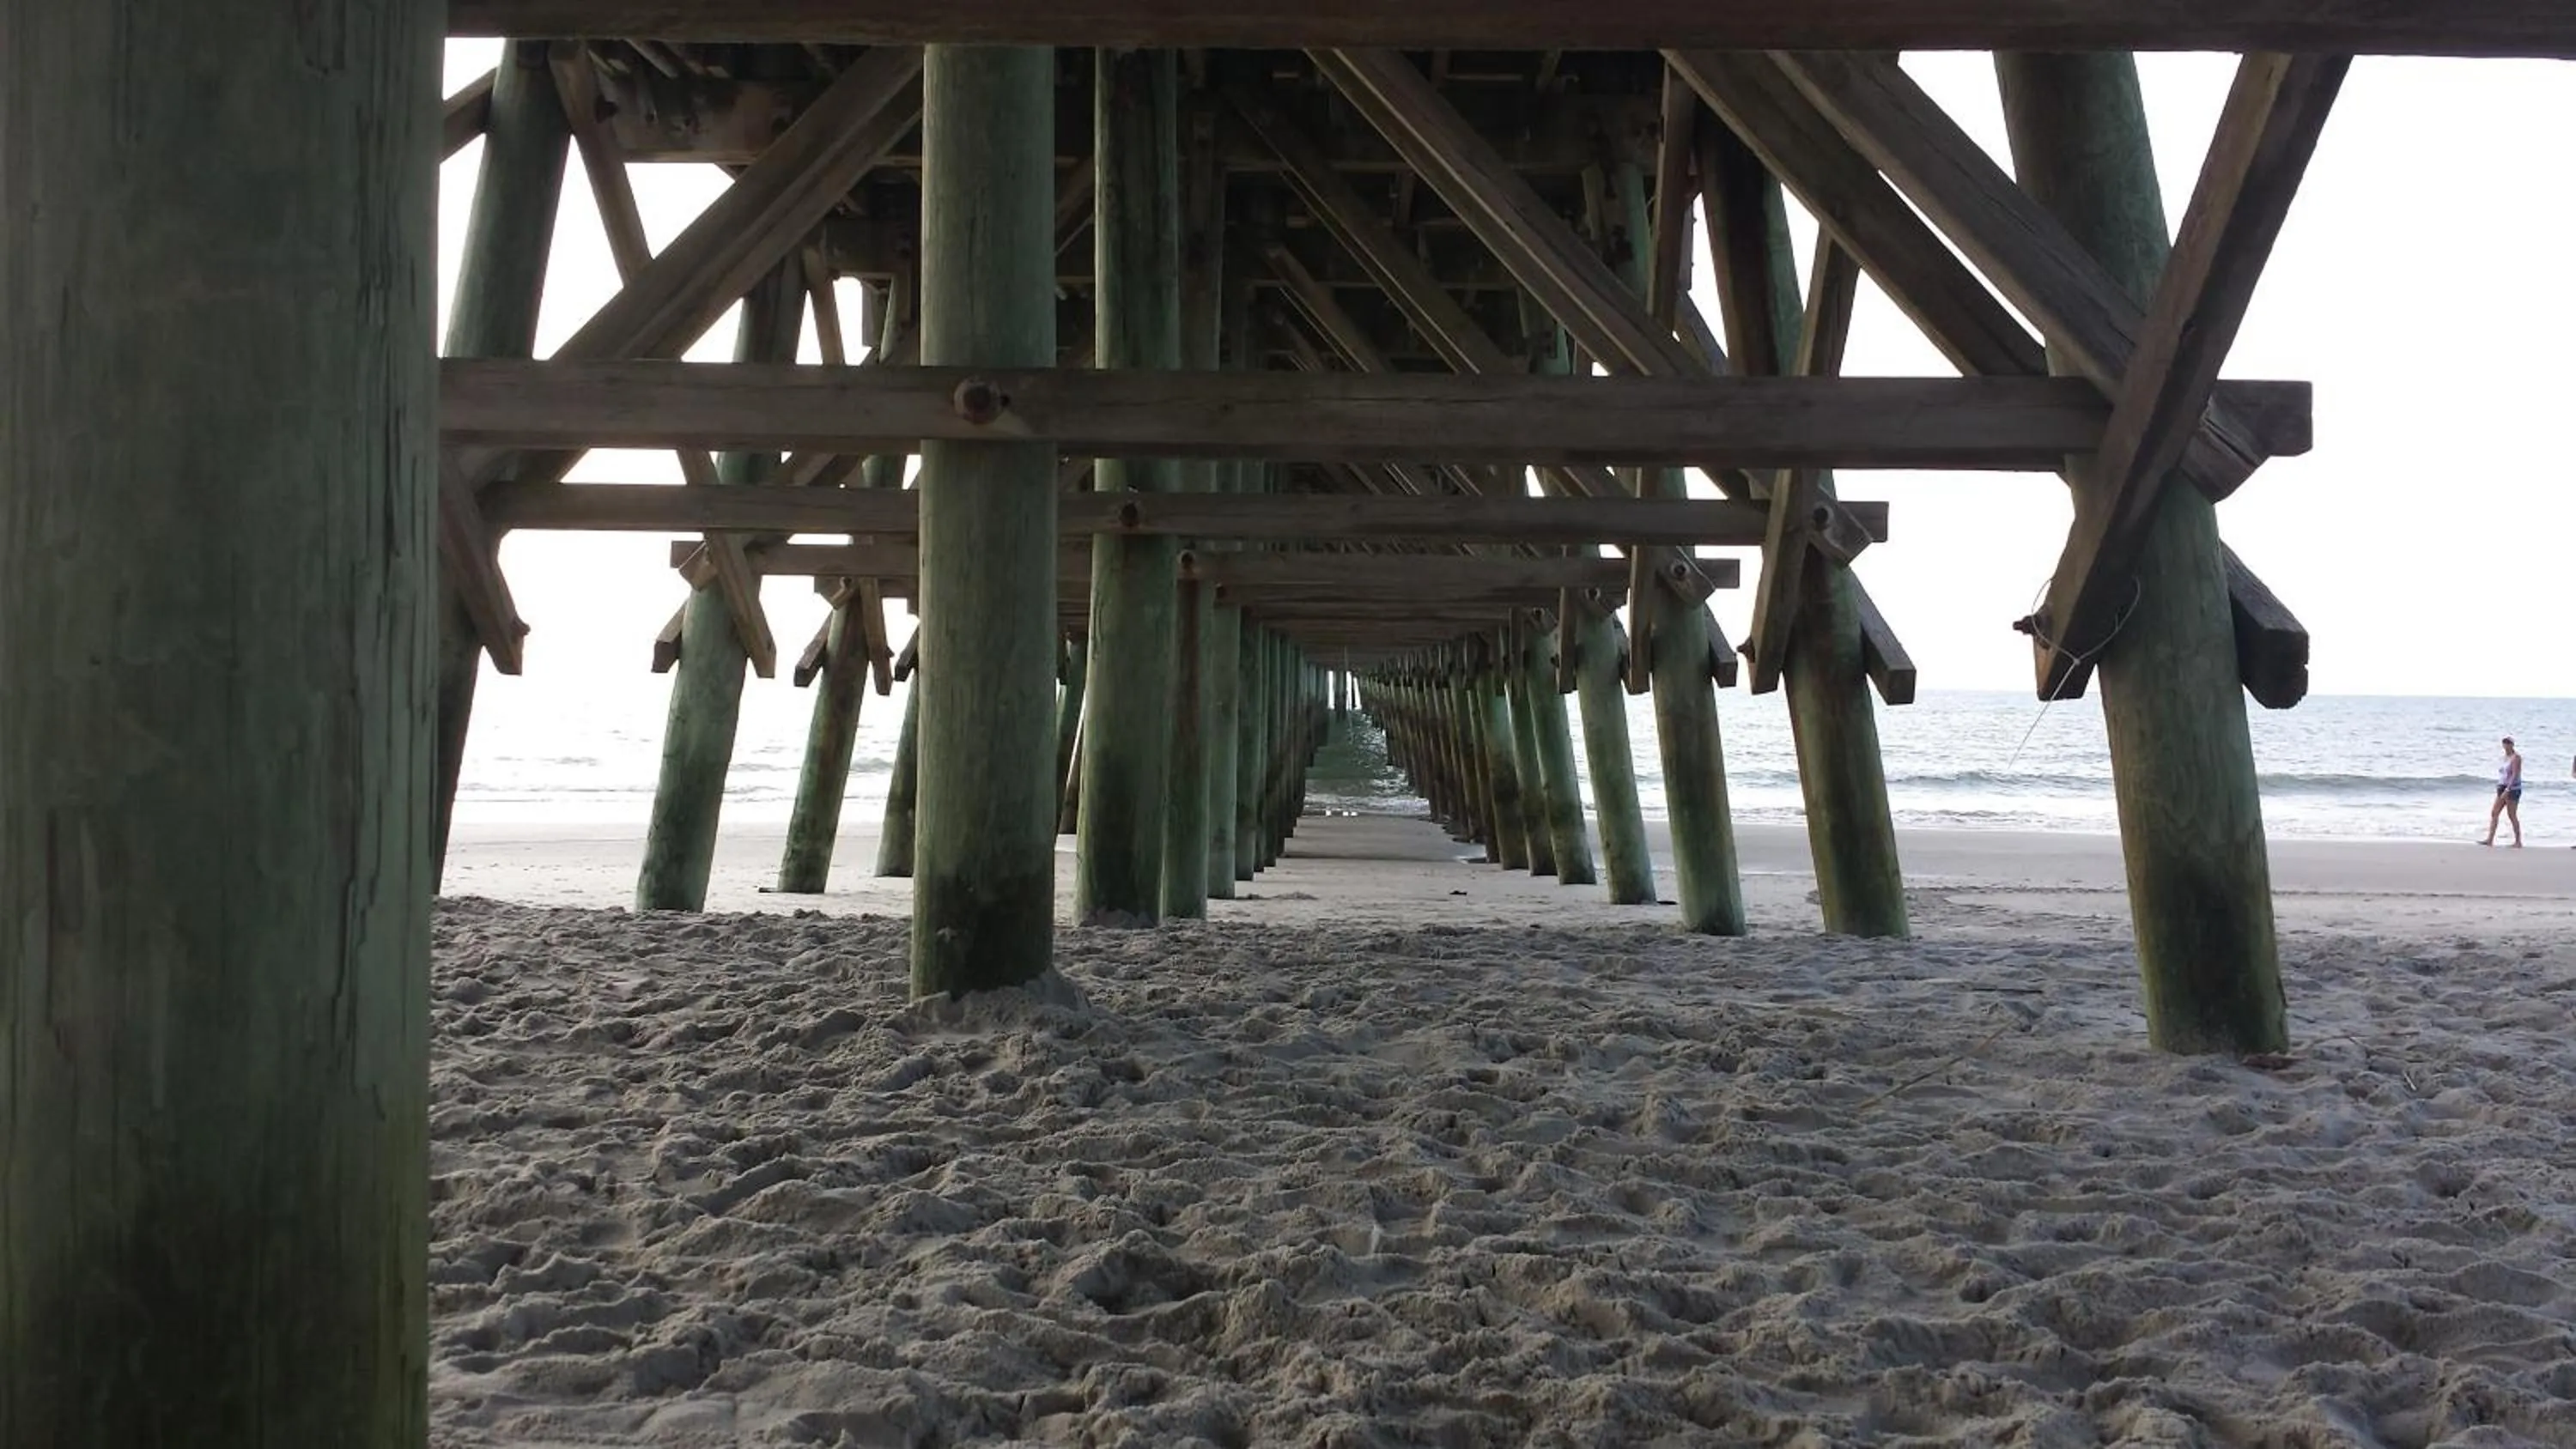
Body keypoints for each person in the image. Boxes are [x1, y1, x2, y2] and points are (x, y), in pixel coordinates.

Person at [2482, 737, 2524, 847]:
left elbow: (2515, 775)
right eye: (2504, 744)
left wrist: (2508, 789)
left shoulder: (2516, 758)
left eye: (2508, 743)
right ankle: (2490, 839)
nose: (2506, 746)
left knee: (2512, 815)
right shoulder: (2504, 757)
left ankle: (2518, 841)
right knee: (2494, 812)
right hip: (2501, 786)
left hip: (2512, 789)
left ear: (2512, 745)